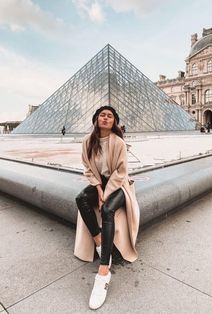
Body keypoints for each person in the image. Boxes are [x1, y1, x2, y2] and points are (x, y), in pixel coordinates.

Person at [74, 105, 140, 310]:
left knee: (108, 210)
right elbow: (87, 167)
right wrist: (99, 190)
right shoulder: (87, 141)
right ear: (96, 119)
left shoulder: (118, 142)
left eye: (110, 116)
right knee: (81, 198)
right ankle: (99, 240)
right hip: (100, 183)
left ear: (114, 122)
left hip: (119, 185)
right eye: (102, 115)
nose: (105, 118)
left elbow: (121, 172)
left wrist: (107, 193)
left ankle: (103, 272)